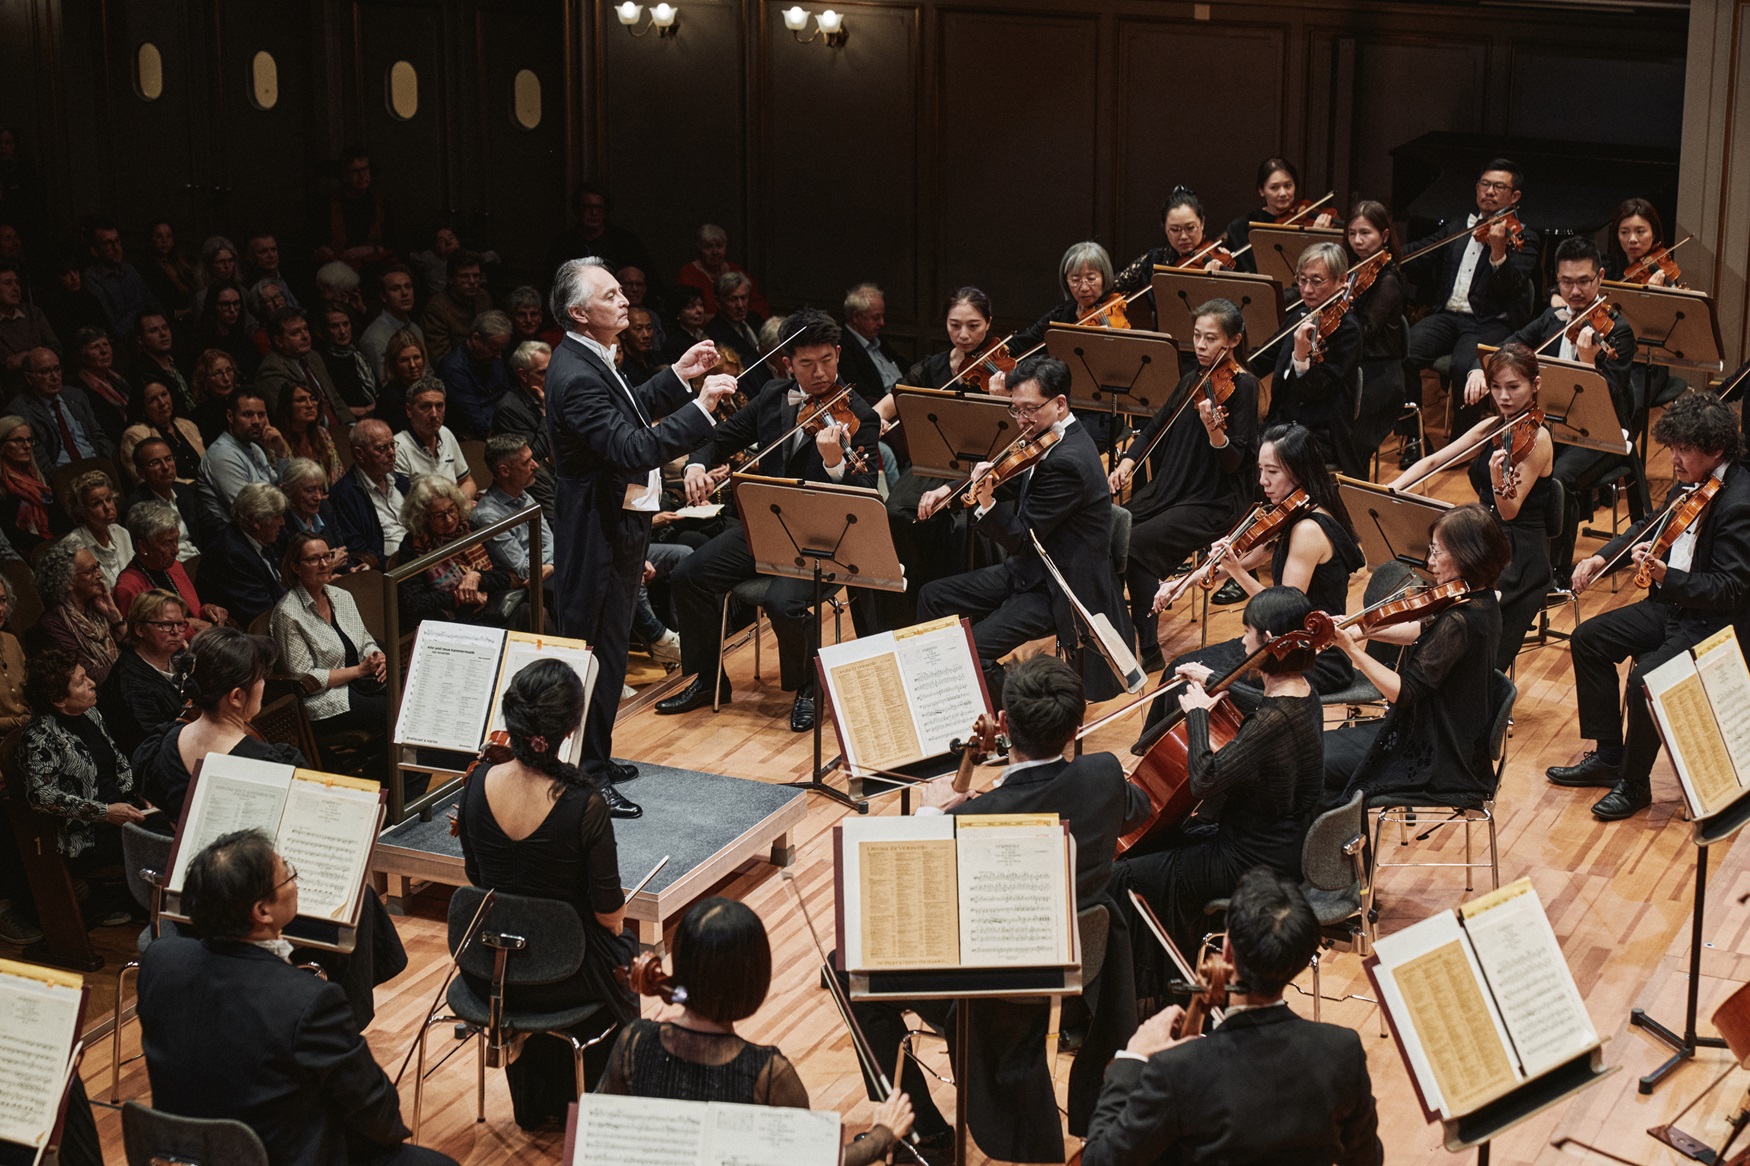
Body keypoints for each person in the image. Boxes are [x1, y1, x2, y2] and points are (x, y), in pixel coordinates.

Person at [849, 655, 1148, 1157]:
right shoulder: (1103, 775)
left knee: (842, 968)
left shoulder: (976, 818)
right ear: (1077, 727)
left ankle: (922, 1130)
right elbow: (1131, 811)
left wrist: (929, 811)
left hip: (999, 980)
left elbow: (912, 887)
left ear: (1004, 725)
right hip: (1083, 969)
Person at [136, 829, 447, 1166]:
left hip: (182, 1154)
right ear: (263, 912)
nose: (295, 883)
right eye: (289, 876)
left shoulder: (159, 960)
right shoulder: (308, 1001)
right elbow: (378, 1115)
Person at [545, 256, 734, 796]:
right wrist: (701, 408)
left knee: (610, 647)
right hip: (595, 527)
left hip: (619, 521)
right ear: (579, 313)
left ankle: (598, 757)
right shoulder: (576, 374)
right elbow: (630, 447)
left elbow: (630, 408)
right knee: (594, 652)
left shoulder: (590, 357)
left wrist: (680, 376)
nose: (624, 300)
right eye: (609, 296)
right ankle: (584, 773)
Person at [659, 310, 879, 732]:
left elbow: (865, 493)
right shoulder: (774, 396)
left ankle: (808, 688)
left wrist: (836, 465)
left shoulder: (861, 415)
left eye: (827, 360)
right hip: (768, 527)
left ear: (838, 354)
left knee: (784, 601)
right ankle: (708, 680)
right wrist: (695, 465)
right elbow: (718, 439)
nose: (820, 373)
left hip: (824, 539)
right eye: (807, 364)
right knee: (689, 575)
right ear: (787, 363)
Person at [1081, 868, 1382, 1165]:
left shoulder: (1178, 1070)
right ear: (1302, 960)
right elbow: (1367, 1159)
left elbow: (1099, 1160)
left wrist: (1130, 1061)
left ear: (1226, 950)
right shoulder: (1343, 1051)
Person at [1548, 390, 1750, 820]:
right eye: (1672, 447)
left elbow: (1731, 590)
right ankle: (1607, 755)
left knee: (1645, 679)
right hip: (1673, 608)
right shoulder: (1693, 481)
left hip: (1713, 624)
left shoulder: (1740, 502)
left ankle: (1635, 784)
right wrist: (1604, 556)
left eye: (1683, 450)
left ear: (1716, 450)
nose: (1673, 459)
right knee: (1589, 638)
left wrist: (1665, 577)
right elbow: (1651, 523)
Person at [456, 659, 640, 1124]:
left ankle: (536, 1108)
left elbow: (478, 880)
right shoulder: (584, 804)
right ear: (569, 728)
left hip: (491, 971)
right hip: (565, 975)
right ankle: (600, 1114)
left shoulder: (476, 782)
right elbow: (608, 917)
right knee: (626, 951)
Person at [1113, 588, 1325, 986]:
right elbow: (1265, 706)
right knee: (1165, 844)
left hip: (1251, 859)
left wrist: (1196, 714)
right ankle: (1173, 973)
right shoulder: (1304, 693)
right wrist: (1213, 680)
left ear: (1268, 643)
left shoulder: (1271, 724)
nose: (1242, 641)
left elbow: (1205, 778)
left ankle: (1152, 988)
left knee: (1126, 874)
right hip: (1278, 841)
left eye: (1248, 633)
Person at [604, 898, 913, 1166]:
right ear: (754, 982)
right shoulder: (768, 1073)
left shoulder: (633, 1042)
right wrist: (882, 1135)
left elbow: (603, 1133)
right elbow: (816, 1161)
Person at [912, 354, 1134, 705]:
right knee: (933, 596)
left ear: (1059, 404)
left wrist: (985, 505)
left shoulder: (1068, 461)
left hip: (1057, 588)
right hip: (1030, 572)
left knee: (972, 653)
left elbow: (1021, 539)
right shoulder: (1047, 439)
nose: (1021, 420)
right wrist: (950, 491)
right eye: (1015, 410)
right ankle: (946, 701)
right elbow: (1008, 479)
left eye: (1029, 409)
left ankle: (1019, 718)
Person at [1465, 237, 1638, 583]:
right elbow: (1509, 347)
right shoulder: (1552, 318)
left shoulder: (1618, 331)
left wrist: (1589, 365)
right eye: (1566, 282)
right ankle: (1508, 551)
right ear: (1556, 280)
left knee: (1559, 478)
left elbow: (1607, 400)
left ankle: (1555, 571)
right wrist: (1479, 367)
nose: (1575, 291)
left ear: (1600, 278)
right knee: (1486, 461)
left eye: (1584, 281)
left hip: (1599, 436)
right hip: (1548, 427)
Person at [1323, 504, 1510, 806]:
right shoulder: (1481, 599)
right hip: (1443, 736)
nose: (1430, 561)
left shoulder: (1459, 621)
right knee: (1315, 756)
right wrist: (1361, 629)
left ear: (1468, 555)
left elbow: (1404, 692)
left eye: (1437, 552)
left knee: (1311, 765)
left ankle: (1334, 844)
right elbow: (1420, 632)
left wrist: (1351, 649)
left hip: (1435, 758)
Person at [1109, 298, 1260, 671]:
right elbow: (1157, 424)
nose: (1201, 345)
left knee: (1137, 542)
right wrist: (1128, 462)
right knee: (1111, 525)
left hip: (1216, 499)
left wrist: (1214, 431)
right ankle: (1121, 629)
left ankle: (1148, 643)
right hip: (1173, 488)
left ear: (1234, 340)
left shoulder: (1244, 387)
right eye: (1197, 336)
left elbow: (1234, 462)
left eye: (1211, 338)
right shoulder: (1193, 378)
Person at [1395, 343, 1553, 670]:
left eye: (1513, 387)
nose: (1504, 396)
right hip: (1482, 537)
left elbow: (1510, 511)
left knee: (1465, 629)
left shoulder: (1539, 440)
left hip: (1518, 554)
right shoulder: (1491, 428)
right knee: (1425, 602)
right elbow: (1436, 460)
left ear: (1535, 385)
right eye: (1496, 388)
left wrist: (1497, 477)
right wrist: (1391, 489)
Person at [20, 647, 145, 926]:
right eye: (80, 681)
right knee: (159, 840)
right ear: (58, 700)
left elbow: (119, 761)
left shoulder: (91, 715)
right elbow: (41, 797)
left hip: (118, 811)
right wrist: (105, 812)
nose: (91, 683)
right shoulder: (40, 736)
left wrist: (140, 796)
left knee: (173, 816)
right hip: (84, 832)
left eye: (87, 676)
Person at [1404, 158, 1540, 393]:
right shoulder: (1459, 227)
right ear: (1477, 188)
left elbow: (1511, 288)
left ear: (1515, 196)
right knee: (1405, 351)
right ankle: (1411, 426)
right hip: (1447, 317)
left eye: (1498, 187)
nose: (1489, 192)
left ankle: (1465, 432)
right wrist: (1386, 250)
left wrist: (1498, 252)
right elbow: (1419, 252)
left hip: (1487, 322)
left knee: (1465, 368)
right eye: (1484, 184)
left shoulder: (1524, 238)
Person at [271, 531, 387, 766]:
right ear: (295, 567)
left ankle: (394, 776)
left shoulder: (341, 596)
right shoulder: (288, 613)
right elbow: (305, 679)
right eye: (314, 559)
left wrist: (377, 657)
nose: (324, 564)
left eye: (327, 556)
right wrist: (360, 670)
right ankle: (390, 785)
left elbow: (365, 641)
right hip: (326, 699)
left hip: (362, 684)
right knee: (392, 711)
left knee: (410, 695)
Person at [1268, 241, 1363, 476]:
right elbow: (1263, 357)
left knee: (1262, 456)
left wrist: (1301, 358)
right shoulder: (1299, 316)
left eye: (1316, 281)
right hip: (1283, 422)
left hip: (1319, 433)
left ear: (1342, 281)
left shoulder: (1348, 330)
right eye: (1302, 280)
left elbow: (1318, 392)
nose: (1307, 289)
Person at [396, 475, 525, 631]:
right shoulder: (412, 546)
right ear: (423, 517)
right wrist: (460, 596)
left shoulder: (470, 529)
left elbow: (507, 576)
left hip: (494, 608)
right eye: (439, 516)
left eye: (452, 510)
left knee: (530, 613)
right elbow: (414, 602)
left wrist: (478, 577)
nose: (449, 520)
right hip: (450, 622)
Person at [1343, 200, 1413, 464]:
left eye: (1365, 233)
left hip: (1380, 374)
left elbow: (1365, 329)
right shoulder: (1352, 271)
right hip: (1356, 364)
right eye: (1352, 233)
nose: (1357, 241)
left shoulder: (1388, 280)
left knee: (1349, 442)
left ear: (1384, 235)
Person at [98, 588, 190, 756]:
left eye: (181, 624)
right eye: (166, 625)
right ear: (140, 629)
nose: (176, 632)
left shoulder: (180, 661)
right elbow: (157, 747)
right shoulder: (131, 685)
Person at [115, 498, 223, 627]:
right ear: (143, 546)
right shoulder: (127, 587)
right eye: (167, 543)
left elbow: (192, 613)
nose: (176, 550)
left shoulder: (174, 567)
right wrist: (188, 625)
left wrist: (207, 610)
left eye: (176, 540)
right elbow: (143, 638)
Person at [5, 345, 115, 468]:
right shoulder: (20, 412)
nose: (54, 377)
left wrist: (112, 466)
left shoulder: (76, 396)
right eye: (45, 371)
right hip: (64, 476)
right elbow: (40, 463)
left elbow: (98, 435)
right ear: (29, 378)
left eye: (57, 369)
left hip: (98, 467)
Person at [1113, 187, 1234, 297]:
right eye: (1175, 230)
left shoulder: (1219, 258)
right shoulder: (1154, 260)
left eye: (1190, 228)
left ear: (1202, 223)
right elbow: (1115, 284)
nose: (1183, 236)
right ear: (1165, 228)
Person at [1222, 157, 1337, 274]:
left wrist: (1317, 238)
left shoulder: (1307, 217)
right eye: (1274, 188)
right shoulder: (1241, 227)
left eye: (1288, 186)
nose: (1283, 193)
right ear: (1261, 190)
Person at [200, 481, 291, 627]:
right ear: (256, 521)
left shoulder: (268, 537)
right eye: (277, 516)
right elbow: (262, 614)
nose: (282, 522)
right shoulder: (230, 555)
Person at [196, 387, 285, 533]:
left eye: (261, 415)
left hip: (268, 528)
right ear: (230, 417)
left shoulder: (255, 448)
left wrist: (281, 454)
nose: (257, 421)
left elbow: (284, 488)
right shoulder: (222, 455)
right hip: (239, 538)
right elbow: (251, 511)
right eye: (248, 414)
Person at [36, 541, 124, 684]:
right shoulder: (52, 624)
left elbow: (138, 648)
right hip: (94, 699)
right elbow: (90, 675)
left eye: (98, 567)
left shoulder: (98, 607)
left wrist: (117, 619)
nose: (100, 574)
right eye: (91, 571)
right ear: (68, 582)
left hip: (125, 684)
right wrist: (134, 669)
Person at [472, 434, 554, 583]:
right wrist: (553, 563)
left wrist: (551, 565)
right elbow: (523, 570)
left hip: (549, 572)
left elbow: (552, 541)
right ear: (505, 471)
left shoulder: (524, 495)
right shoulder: (488, 517)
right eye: (526, 462)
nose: (535, 465)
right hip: (531, 587)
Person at [543, 183, 659, 285]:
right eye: (588, 207)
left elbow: (649, 279)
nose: (594, 213)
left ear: (606, 210)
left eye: (599, 207)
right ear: (577, 210)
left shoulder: (625, 242)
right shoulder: (563, 245)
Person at [330, 419, 409, 565]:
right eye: (382, 448)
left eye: (392, 445)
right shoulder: (344, 495)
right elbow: (356, 546)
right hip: (391, 566)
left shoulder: (400, 481)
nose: (391, 453)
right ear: (360, 454)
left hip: (421, 554)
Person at [257, 307, 349, 425]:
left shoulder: (313, 357)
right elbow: (293, 416)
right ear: (279, 341)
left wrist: (351, 425)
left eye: (305, 329)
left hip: (339, 430)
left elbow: (334, 398)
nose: (305, 336)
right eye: (295, 333)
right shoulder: (271, 370)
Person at [0, 411, 71, 557]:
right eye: (19, 440)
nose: (26, 446)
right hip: (27, 553)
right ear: (2, 446)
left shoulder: (39, 480)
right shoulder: (2, 489)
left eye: (29, 440)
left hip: (54, 545)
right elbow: (14, 535)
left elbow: (57, 516)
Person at [435, 309, 514, 437]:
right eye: (494, 349)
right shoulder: (453, 369)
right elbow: (475, 421)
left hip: (504, 424)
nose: (499, 356)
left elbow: (507, 394)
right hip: (474, 435)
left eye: (501, 350)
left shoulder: (493, 356)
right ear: (476, 339)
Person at [121, 437, 202, 560]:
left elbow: (211, 527)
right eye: (155, 463)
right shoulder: (136, 508)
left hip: (201, 559)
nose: (165, 467)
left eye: (168, 459)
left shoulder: (185, 491)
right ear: (141, 472)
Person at [394, 379, 475, 500]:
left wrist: (460, 505)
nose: (434, 415)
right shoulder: (397, 447)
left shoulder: (445, 433)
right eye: (425, 407)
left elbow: (467, 482)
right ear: (409, 410)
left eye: (439, 406)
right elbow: (407, 505)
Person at [119, 374, 205, 484]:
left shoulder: (187, 425)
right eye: (153, 400)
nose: (162, 403)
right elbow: (148, 481)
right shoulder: (135, 435)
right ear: (142, 407)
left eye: (164, 395)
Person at [82, 218, 159, 334]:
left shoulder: (129, 270)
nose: (116, 248)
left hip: (149, 332)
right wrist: (138, 307)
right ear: (94, 251)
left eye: (117, 241)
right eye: (108, 243)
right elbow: (112, 326)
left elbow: (153, 303)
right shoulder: (91, 278)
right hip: (124, 339)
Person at [675, 223, 768, 319]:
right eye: (708, 247)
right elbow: (685, 313)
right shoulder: (688, 274)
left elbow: (758, 303)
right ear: (699, 249)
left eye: (719, 246)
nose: (715, 252)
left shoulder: (735, 270)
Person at [59, 468, 133, 586]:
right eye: (97, 503)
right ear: (80, 510)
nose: (107, 507)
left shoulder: (121, 533)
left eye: (109, 499)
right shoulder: (72, 547)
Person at [321, 147, 393, 267]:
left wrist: (372, 249)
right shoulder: (327, 204)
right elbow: (314, 242)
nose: (362, 176)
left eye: (365, 169)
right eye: (355, 171)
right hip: (339, 267)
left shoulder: (380, 202)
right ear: (345, 174)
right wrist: (322, 251)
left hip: (375, 265)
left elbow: (395, 241)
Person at [836, 282, 904, 404]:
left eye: (882, 316)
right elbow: (861, 393)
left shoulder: (877, 339)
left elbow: (901, 365)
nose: (882, 323)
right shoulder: (843, 347)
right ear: (856, 317)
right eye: (876, 317)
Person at [419, 250, 492, 362]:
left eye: (476, 276)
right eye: (465, 276)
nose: (472, 281)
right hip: (456, 369)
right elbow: (441, 359)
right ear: (451, 279)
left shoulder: (483, 298)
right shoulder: (437, 309)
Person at [703, 271, 769, 389]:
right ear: (718, 302)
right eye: (733, 299)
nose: (740, 305)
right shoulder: (714, 334)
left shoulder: (755, 319)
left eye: (743, 298)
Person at [359, 265, 423, 381]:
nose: (404, 293)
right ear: (383, 296)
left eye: (408, 287)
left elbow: (426, 371)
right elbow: (386, 383)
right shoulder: (374, 338)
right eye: (395, 289)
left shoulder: (415, 329)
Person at [68, 325, 132, 440]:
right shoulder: (80, 390)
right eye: (95, 347)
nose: (104, 351)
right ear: (82, 356)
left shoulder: (119, 381)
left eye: (106, 344)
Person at [192, 281, 261, 383]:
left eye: (236, 303)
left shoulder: (245, 341)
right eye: (225, 304)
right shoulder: (199, 342)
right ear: (213, 306)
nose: (232, 310)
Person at [275, 383, 344, 485]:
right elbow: (285, 483)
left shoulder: (322, 434)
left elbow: (338, 474)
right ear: (288, 406)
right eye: (301, 400)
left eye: (313, 398)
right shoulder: (278, 440)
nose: (310, 405)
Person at [130, 310, 195, 415]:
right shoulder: (140, 374)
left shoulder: (182, 360)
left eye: (165, 328)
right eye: (154, 330)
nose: (163, 334)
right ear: (140, 340)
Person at [0, 258, 58, 372]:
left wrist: (26, 355)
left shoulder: (33, 313)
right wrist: (39, 352)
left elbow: (56, 349)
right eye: (8, 283)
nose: (15, 288)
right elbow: (8, 363)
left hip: (47, 375)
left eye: (17, 283)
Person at [317, 306, 376, 418]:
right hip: (349, 418)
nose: (342, 331)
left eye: (345, 324)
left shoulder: (358, 353)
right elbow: (331, 402)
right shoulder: (324, 362)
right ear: (325, 330)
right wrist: (360, 410)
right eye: (335, 326)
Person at [372, 330, 428, 435]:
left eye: (416, 357)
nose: (412, 365)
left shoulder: (431, 389)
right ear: (394, 364)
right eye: (404, 360)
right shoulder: (389, 398)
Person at [189, 347, 244, 442]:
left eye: (229, 370)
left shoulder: (246, 399)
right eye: (218, 373)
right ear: (205, 381)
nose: (226, 378)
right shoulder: (199, 417)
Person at [662, 285, 710, 364]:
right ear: (678, 313)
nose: (699, 310)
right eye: (691, 307)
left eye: (701, 305)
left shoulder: (705, 334)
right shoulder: (675, 343)